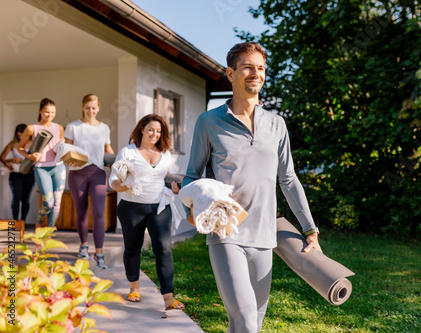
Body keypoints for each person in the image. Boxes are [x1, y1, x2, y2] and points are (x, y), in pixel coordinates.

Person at [182, 42, 322, 333]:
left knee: (249, 324)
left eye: (260, 68)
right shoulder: (209, 122)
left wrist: (310, 230)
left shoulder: (276, 124)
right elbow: (191, 176)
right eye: (247, 67)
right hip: (227, 234)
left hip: (264, 238)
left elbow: (288, 179)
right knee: (245, 321)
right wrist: (195, 205)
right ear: (230, 73)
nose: (255, 73)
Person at [109, 114, 184, 310]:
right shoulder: (128, 152)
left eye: (158, 131)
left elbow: (167, 177)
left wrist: (176, 190)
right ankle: (134, 287)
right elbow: (113, 181)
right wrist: (122, 186)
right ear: (142, 129)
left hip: (159, 206)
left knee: (164, 249)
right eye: (151, 129)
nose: (155, 134)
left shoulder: (165, 153)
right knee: (133, 247)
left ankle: (168, 297)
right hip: (131, 207)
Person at [65, 94, 114, 269]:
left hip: (98, 173)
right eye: (87, 108)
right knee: (81, 211)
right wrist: (67, 159)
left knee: (100, 212)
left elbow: (107, 149)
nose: (91, 111)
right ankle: (84, 243)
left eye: (94, 108)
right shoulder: (73, 127)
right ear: (82, 107)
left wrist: (118, 162)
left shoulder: (104, 128)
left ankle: (98, 253)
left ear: (98, 107)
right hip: (77, 173)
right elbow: (67, 149)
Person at [18, 98, 66, 229]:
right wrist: (29, 155)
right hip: (41, 168)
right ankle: (39, 221)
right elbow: (20, 147)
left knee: (57, 204)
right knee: (48, 203)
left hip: (59, 167)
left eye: (53, 113)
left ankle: (48, 233)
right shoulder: (31, 128)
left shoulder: (59, 128)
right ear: (40, 111)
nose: (50, 115)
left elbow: (62, 147)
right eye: (46, 112)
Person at [0, 124, 36, 220]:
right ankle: (15, 222)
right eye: (18, 135)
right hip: (16, 173)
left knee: (25, 198)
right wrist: (8, 164)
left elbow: (37, 158)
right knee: (17, 197)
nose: (20, 137)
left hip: (29, 173)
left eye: (22, 135)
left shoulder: (33, 143)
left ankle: (22, 222)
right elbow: (2, 157)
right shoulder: (13, 144)